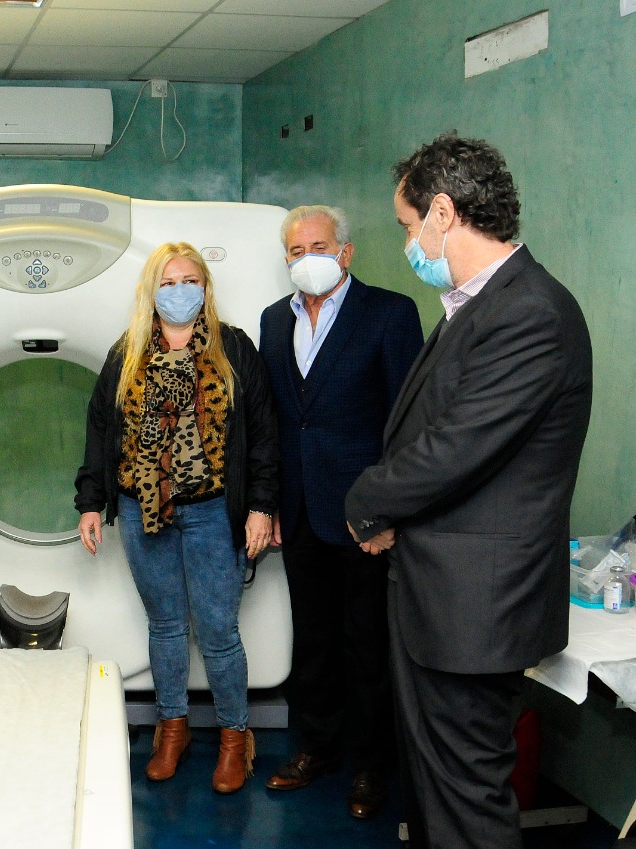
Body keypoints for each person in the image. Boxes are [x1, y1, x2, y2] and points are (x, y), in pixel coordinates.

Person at [345, 134, 593, 849]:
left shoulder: (531, 311)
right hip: (440, 600)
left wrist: (366, 501)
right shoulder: (476, 305)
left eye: (407, 224)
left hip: (475, 611)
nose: (408, 243)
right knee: (434, 797)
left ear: (443, 213)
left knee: (467, 806)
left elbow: (455, 449)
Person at [75, 241, 279, 793]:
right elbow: (101, 429)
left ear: (205, 288)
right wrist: (91, 501)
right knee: (165, 626)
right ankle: (173, 729)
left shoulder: (233, 349)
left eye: (189, 281)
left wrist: (261, 506)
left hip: (213, 509)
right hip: (142, 507)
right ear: (151, 292)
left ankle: (235, 737)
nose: (179, 291)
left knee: (217, 630)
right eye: (167, 283)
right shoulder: (127, 353)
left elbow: (263, 434)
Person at [258, 206, 422, 818]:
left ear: (346, 253)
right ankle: (317, 748)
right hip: (300, 508)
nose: (308, 259)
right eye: (296, 251)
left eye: (319, 247)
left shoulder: (389, 314)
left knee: (367, 642)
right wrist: (271, 502)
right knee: (314, 639)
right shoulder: (275, 320)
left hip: (365, 515)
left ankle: (372, 766)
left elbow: (408, 423)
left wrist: (389, 512)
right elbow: (276, 421)